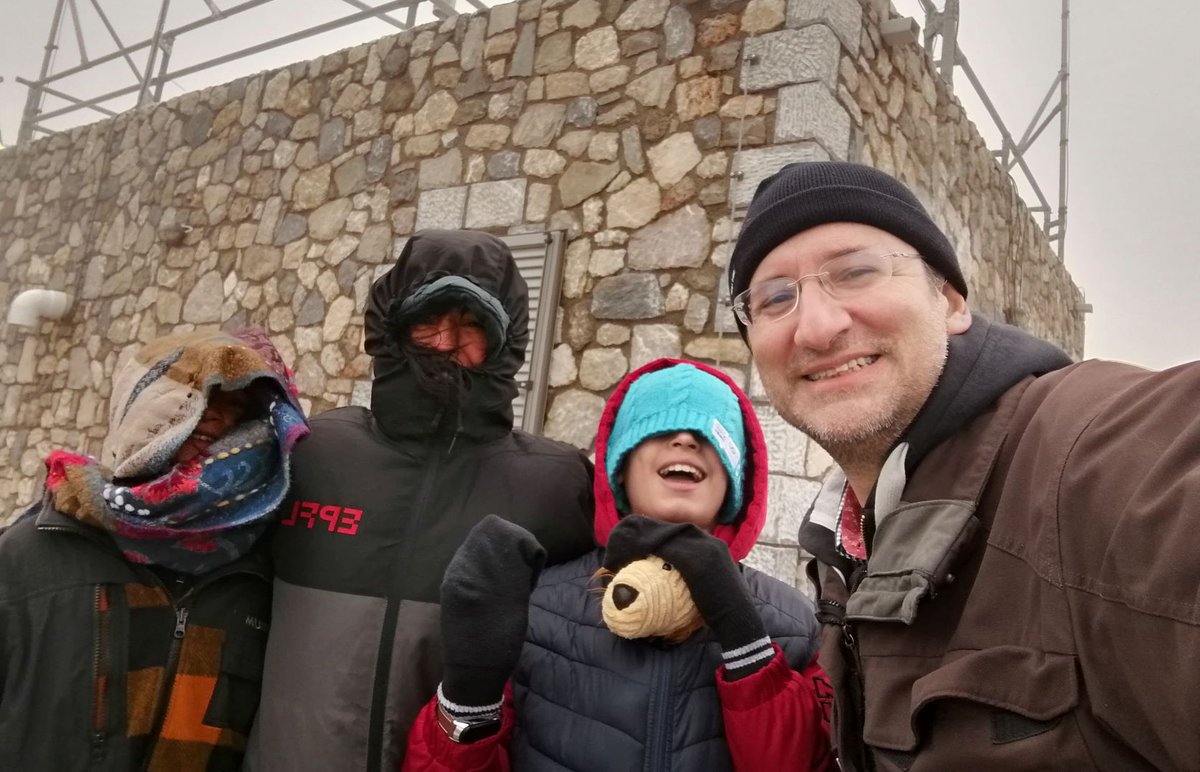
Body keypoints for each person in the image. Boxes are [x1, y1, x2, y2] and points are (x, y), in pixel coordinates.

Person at [725, 160, 1200, 770]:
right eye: (775, 297)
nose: (816, 327)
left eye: (857, 271)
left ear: (949, 301)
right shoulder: (842, 542)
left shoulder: (1089, 452)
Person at [246, 229, 595, 772]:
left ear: (507, 343)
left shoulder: (556, 487)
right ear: (393, 328)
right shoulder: (311, 453)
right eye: (426, 319)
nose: (445, 342)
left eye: (473, 324)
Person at [404, 358, 836, 772]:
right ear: (620, 470)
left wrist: (747, 640)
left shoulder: (792, 622)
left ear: (735, 482)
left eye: (709, 435)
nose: (686, 440)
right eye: (659, 426)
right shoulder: (536, 605)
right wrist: (467, 696)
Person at [0, 327, 309, 770]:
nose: (216, 418)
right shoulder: (31, 554)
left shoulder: (260, 573)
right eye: (200, 397)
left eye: (236, 409)